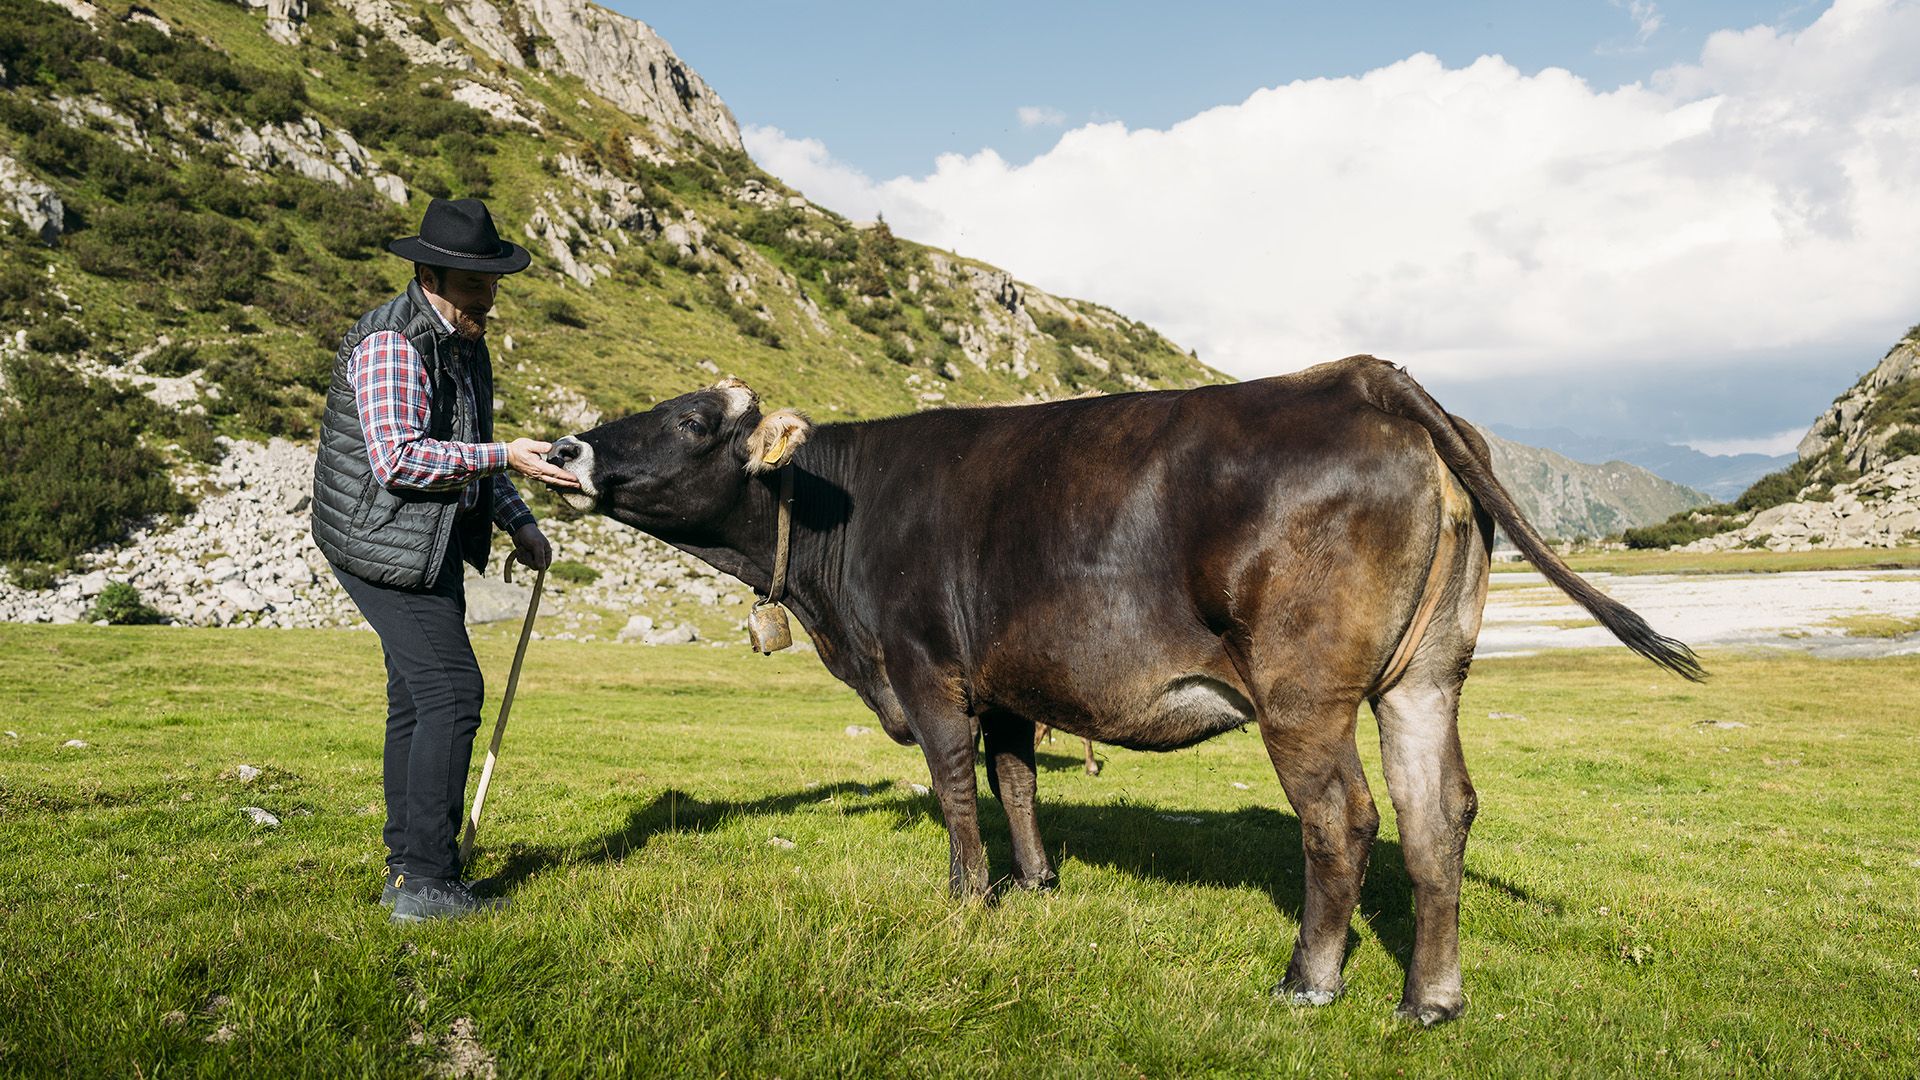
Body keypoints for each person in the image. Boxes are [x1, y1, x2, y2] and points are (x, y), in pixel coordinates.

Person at [310, 197, 581, 923]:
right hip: (377, 542)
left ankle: (409, 865)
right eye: (474, 285)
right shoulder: (392, 345)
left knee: (418, 697)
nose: (489, 298)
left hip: (425, 542)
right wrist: (507, 457)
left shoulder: (464, 340)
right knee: (454, 695)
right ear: (431, 275)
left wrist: (519, 522)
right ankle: (429, 884)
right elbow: (399, 460)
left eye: (493, 282)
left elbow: (472, 446)